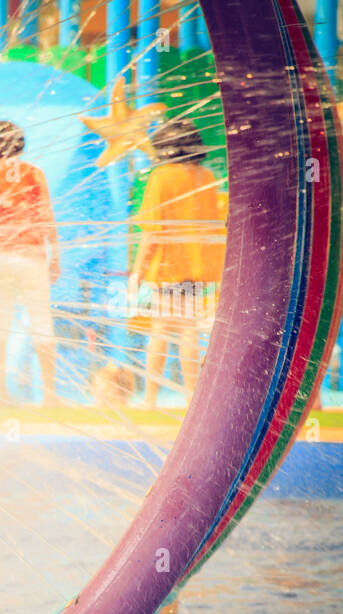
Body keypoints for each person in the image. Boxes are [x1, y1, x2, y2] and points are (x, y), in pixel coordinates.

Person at [131, 117, 225, 408]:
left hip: (168, 266)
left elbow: (152, 231)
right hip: (199, 268)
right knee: (188, 331)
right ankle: (191, 397)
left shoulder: (162, 176)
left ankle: (149, 398)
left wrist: (138, 271)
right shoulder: (205, 177)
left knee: (160, 329)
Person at [0, 120, 61, 405]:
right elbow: (46, 215)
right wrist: (55, 255)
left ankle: (2, 393)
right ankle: (49, 394)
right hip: (30, 255)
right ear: (20, 144)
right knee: (42, 323)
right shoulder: (34, 174)